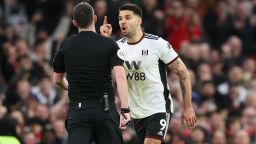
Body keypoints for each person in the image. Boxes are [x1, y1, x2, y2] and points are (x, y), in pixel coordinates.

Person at [100, 4, 197, 144]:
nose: (122, 21)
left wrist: (187, 107)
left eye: (128, 17)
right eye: (120, 18)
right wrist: (104, 40)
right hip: (136, 112)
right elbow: (100, 66)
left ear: (138, 21)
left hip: (158, 107)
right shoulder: (117, 46)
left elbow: (183, 73)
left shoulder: (157, 44)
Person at [52, 2, 130, 144]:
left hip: (78, 111)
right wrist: (125, 109)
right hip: (105, 109)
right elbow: (120, 76)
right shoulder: (109, 44)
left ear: (74, 23)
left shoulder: (65, 45)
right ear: (94, 18)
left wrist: (74, 87)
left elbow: (57, 79)